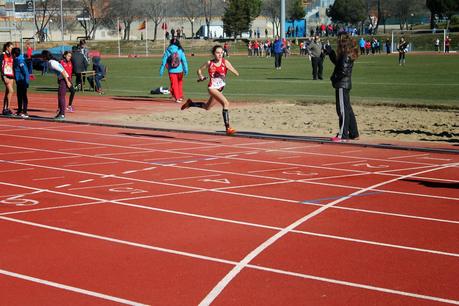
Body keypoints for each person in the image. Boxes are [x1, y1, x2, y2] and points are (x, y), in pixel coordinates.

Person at [180, 45, 239, 135]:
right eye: (218, 53)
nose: (220, 55)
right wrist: (201, 76)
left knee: (207, 107)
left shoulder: (225, 62)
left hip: (220, 89)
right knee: (226, 103)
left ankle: (190, 103)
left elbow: (236, 72)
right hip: (212, 88)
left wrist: (232, 70)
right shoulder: (209, 63)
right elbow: (199, 70)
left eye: (221, 53)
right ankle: (228, 128)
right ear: (213, 54)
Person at [325, 32, 359, 142]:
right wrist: (331, 53)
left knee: (342, 109)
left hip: (342, 84)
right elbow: (338, 63)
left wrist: (334, 78)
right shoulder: (347, 52)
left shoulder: (345, 54)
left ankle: (343, 135)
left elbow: (342, 70)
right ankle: (353, 133)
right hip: (345, 83)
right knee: (347, 108)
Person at [41, 50, 72, 120]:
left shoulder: (52, 63)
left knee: (61, 97)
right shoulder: (51, 62)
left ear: (45, 57)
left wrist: (67, 81)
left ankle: (62, 114)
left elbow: (63, 71)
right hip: (62, 79)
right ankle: (60, 113)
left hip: (64, 79)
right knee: (60, 96)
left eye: (42, 56)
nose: (41, 57)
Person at [159, 38, 188, 103]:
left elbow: (164, 61)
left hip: (171, 70)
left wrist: (161, 70)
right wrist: (186, 69)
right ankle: (180, 96)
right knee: (180, 83)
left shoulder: (168, 50)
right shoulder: (180, 50)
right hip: (180, 70)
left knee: (174, 84)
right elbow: (184, 61)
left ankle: (177, 97)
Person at [12, 47, 29, 118]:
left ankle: (25, 112)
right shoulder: (16, 60)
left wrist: (26, 82)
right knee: (19, 96)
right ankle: (19, 110)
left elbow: (25, 72)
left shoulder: (20, 61)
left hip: (23, 81)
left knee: (23, 96)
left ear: (14, 54)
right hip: (18, 81)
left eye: (12, 54)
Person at [1, 42, 14, 116]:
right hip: (5, 75)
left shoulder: (12, 55)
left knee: (7, 92)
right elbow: (1, 66)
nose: (11, 49)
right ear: (7, 47)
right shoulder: (2, 55)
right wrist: (3, 76)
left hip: (11, 76)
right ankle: (7, 108)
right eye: (11, 47)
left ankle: (4, 109)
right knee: (11, 91)